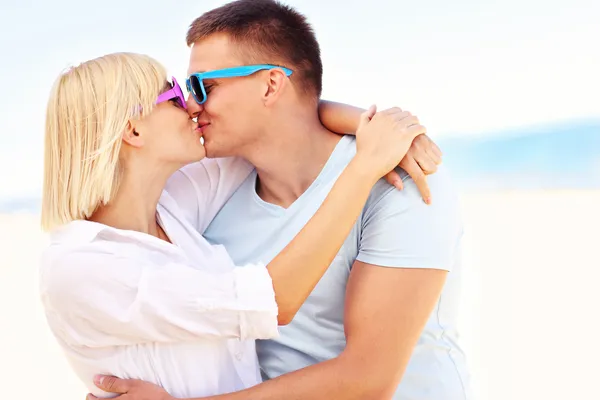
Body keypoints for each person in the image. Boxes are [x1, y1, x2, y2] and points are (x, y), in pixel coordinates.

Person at [91, 1, 471, 400]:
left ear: (271, 85)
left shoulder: (399, 180)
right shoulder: (211, 192)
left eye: (204, 86)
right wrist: (362, 120)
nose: (191, 104)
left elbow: (368, 379)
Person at [39, 52, 432, 399]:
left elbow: (280, 125)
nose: (193, 105)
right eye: (174, 95)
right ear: (133, 130)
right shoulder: (83, 266)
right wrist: (365, 166)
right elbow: (274, 299)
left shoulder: (170, 206)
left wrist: (375, 129)